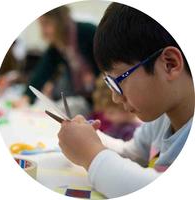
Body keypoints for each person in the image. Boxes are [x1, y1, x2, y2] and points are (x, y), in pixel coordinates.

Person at [57, 3, 194, 198]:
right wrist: (88, 138)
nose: (114, 97)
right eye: (109, 84)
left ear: (170, 64)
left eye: (118, 81)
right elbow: (132, 153)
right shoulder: (161, 119)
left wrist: (91, 154)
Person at [13, 6, 99, 106]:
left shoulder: (88, 31)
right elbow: (42, 71)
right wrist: (27, 97)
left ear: (59, 20)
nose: (43, 31)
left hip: (103, 95)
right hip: (85, 96)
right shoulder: (58, 45)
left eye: (46, 24)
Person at [89, 74, 141, 141]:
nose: (106, 116)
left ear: (125, 108)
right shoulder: (118, 126)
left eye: (111, 112)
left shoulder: (132, 131)